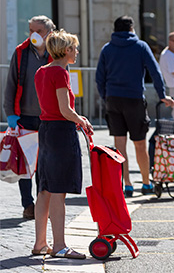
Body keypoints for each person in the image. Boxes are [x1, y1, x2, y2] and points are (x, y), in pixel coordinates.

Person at [96, 16, 174, 197]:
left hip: (113, 100)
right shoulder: (140, 46)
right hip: (134, 99)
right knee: (140, 144)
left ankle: (127, 185)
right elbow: (155, 72)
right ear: (132, 29)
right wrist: (162, 95)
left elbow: (100, 77)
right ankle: (146, 183)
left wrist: (105, 97)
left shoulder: (107, 49)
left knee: (119, 144)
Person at [33, 29, 93, 259]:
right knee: (59, 191)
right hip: (60, 132)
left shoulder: (41, 71)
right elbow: (64, 109)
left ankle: (40, 243)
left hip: (46, 130)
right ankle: (59, 245)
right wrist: (82, 120)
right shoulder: (60, 72)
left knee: (45, 189)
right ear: (66, 50)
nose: (76, 52)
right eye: (74, 48)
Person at [3, 15, 56, 219]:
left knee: (45, 163)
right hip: (24, 117)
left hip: (47, 118)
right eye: (31, 30)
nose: (34, 35)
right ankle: (28, 205)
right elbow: (10, 86)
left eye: (39, 31)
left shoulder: (56, 53)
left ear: (49, 32)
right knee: (24, 166)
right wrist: (11, 115)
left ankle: (43, 203)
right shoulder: (20, 53)